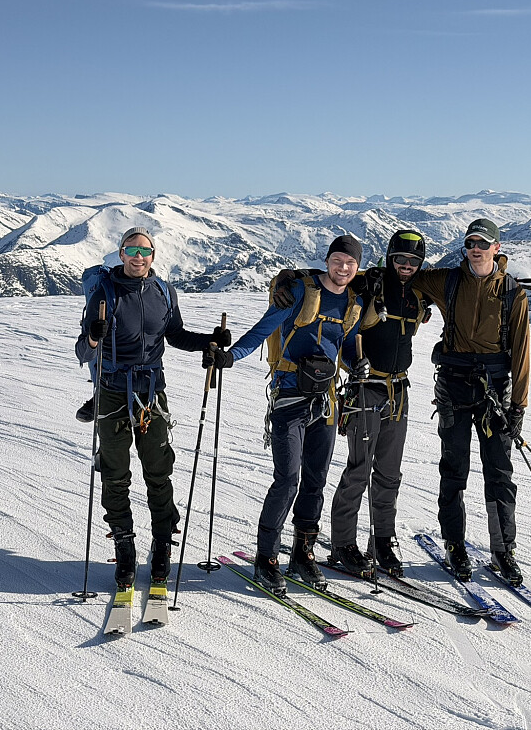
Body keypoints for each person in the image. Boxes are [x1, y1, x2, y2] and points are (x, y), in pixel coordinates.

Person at [205, 235, 365, 593]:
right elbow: (263, 330)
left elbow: (347, 348)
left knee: (315, 480)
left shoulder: (355, 303)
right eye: (337, 260)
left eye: (350, 263)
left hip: (325, 402)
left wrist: (358, 364)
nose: (342, 268)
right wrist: (230, 357)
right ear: (327, 261)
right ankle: (267, 557)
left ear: (357, 267)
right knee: (288, 479)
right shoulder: (297, 293)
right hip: (289, 398)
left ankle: (303, 554)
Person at [75, 227, 230, 587]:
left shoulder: (163, 291)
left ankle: (162, 543)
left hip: (151, 393)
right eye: (131, 249)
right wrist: (94, 336)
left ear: (153, 256)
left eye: (144, 250)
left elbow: (174, 335)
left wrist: (209, 340)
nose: (138, 256)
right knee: (115, 473)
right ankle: (125, 546)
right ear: (121, 253)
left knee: (158, 469)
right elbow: (84, 351)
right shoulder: (104, 293)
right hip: (113, 392)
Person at [410, 218, 530, 585]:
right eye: (470, 243)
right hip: (454, 387)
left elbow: (521, 353)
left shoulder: (512, 293)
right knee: (454, 469)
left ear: (497, 248)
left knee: (500, 473)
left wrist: (519, 407)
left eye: (483, 243)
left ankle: (503, 550)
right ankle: (454, 544)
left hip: (495, 392)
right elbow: (401, 277)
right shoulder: (447, 281)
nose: (475, 249)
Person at [328, 230, 430, 577]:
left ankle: (382, 541)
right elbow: (331, 288)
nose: (406, 266)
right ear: (389, 257)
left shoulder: (417, 293)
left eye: (413, 262)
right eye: (400, 259)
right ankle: (343, 542)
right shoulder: (368, 285)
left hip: (399, 391)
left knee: (389, 473)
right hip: (367, 389)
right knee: (359, 468)